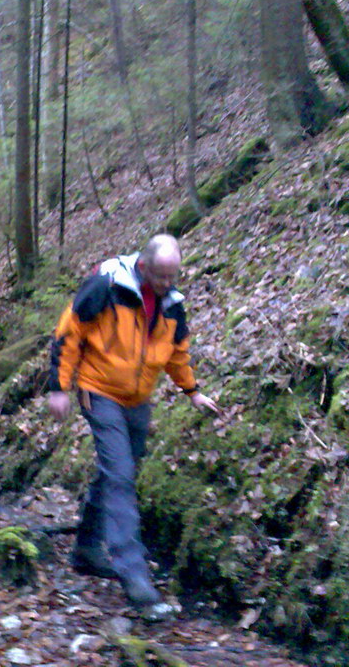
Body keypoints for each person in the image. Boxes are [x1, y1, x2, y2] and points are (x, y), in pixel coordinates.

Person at [46, 233, 219, 613]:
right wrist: (59, 387)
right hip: (98, 390)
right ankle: (135, 576)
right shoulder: (106, 286)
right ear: (143, 267)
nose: (168, 284)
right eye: (161, 276)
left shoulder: (172, 305)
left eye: (173, 276)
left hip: (137, 400)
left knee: (118, 473)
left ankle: (87, 549)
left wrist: (193, 391)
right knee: (120, 475)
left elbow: (177, 352)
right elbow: (68, 333)